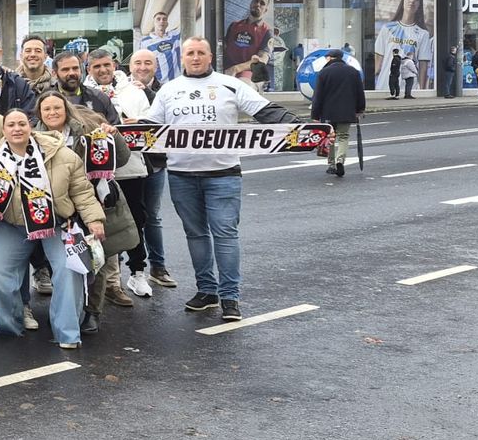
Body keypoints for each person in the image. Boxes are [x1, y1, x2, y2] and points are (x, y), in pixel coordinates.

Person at [144, 36, 297, 322]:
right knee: (196, 234)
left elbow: (266, 111)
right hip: (181, 175)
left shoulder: (231, 84)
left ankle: (230, 297)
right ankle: (206, 291)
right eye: (190, 53)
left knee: (225, 235)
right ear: (182, 58)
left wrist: (302, 128)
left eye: (201, 53)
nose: (195, 58)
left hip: (223, 174)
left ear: (210, 57)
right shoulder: (169, 90)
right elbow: (149, 127)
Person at [0, 108, 104, 350]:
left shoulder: (62, 155)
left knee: (69, 270)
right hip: (15, 225)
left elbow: (82, 192)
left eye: (21, 123)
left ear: (30, 127)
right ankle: (8, 322)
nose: (17, 129)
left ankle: (67, 333)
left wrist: (94, 219)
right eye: (11, 125)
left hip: (56, 223)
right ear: (4, 130)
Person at [32, 91, 142, 331]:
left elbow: (122, 159)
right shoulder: (33, 137)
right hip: (57, 208)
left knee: (95, 258)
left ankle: (92, 311)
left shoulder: (88, 127)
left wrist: (115, 137)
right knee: (63, 263)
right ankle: (67, 308)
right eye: (46, 109)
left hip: (93, 201)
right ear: (39, 113)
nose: (52, 113)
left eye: (57, 108)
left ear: (66, 108)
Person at [112, 51, 175, 294]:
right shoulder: (121, 88)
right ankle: (118, 270)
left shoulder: (165, 90)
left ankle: (158, 267)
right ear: (130, 66)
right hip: (130, 164)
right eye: (137, 62)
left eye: (148, 62)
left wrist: (146, 94)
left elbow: (165, 119)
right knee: (127, 216)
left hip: (154, 163)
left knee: (151, 217)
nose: (142, 67)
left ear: (155, 66)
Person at [310, 49, 366, 178]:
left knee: (330, 137)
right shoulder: (353, 72)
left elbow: (318, 96)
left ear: (330, 58)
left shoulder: (324, 72)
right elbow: (359, 93)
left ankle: (331, 164)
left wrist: (315, 115)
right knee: (343, 136)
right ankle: (340, 160)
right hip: (347, 111)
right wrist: (360, 109)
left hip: (328, 112)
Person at [373, 0, 432, 93]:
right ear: (403, 1)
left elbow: (423, 66)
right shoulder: (387, 28)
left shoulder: (423, 34)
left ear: (419, 5)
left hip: (409, 89)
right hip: (384, 86)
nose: (412, 0)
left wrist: (422, 92)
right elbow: (377, 61)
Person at [224, 0, 273, 84]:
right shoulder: (234, 25)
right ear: (251, 3)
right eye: (256, 0)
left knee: (242, 86)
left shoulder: (267, 32)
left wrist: (236, 68)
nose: (258, 4)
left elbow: (262, 60)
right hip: (226, 70)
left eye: (262, 3)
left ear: (266, 10)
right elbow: (223, 49)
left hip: (249, 74)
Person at [140, 10, 183, 81]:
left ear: (167, 23)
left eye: (164, 19)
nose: (161, 21)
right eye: (158, 19)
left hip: (177, 81)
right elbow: (144, 63)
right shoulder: (145, 42)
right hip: (160, 83)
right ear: (154, 23)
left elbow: (187, 21)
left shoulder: (174, 36)